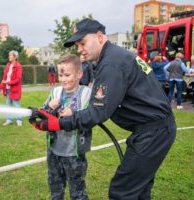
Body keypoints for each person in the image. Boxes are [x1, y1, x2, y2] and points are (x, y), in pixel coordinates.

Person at [29, 18, 176, 200]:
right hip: (152, 130)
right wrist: (50, 111)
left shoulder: (111, 63)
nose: (79, 49)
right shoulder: (112, 57)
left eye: (82, 43)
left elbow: (97, 113)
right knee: (139, 190)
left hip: (153, 133)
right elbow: (85, 85)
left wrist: (58, 123)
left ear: (99, 36)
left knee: (122, 191)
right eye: (77, 44)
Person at [37, 54, 92, 200]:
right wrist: (49, 106)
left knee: (77, 191)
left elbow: (91, 115)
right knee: (55, 188)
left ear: (79, 74)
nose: (63, 79)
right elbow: (42, 113)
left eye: (67, 75)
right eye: (60, 75)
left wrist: (73, 112)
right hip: (54, 150)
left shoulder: (85, 93)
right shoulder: (56, 92)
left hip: (74, 153)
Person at [0, 50, 23, 126]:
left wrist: (8, 83)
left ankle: (19, 120)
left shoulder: (18, 66)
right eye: (9, 55)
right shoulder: (8, 65)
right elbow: (4, 77)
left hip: (15, 89)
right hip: (7, 89)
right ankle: (9, 120)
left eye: (10, 55)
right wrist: (1, 86)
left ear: (15, 57)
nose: (9, 57)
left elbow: (18, 79)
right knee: (8, 105)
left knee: (16, 104)